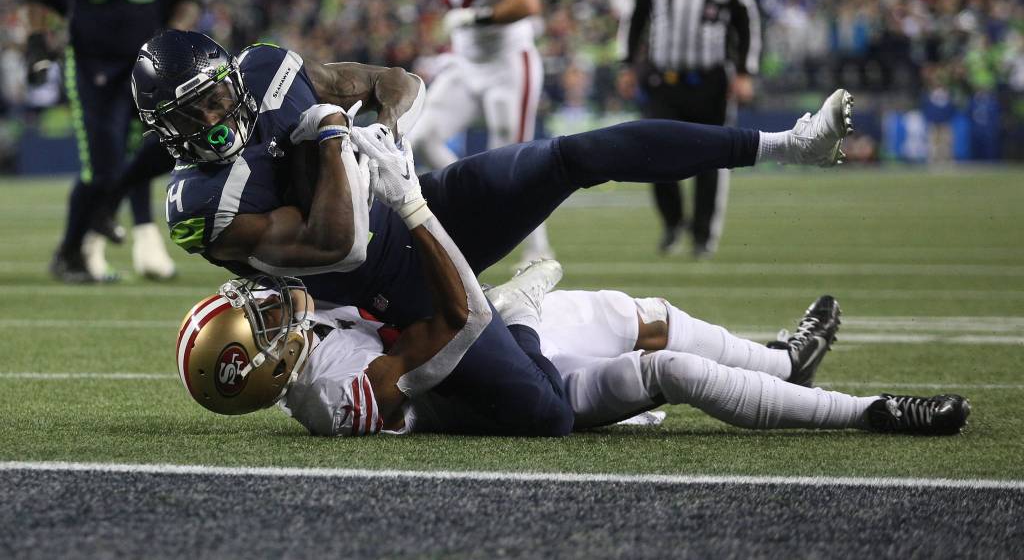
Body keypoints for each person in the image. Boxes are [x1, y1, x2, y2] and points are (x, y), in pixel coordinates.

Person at [134, 30, 852, 436]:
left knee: (572, 156)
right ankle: (528, 321)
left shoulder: (272, 68)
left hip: (420, 206)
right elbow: (338, 243)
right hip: (392, 291)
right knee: (542, 407)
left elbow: (395, 82)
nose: (213, 121)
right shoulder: (202, 203)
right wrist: (329, 135)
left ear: (234, 77)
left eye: (216, 100)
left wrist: (383, 130)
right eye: (190, 117)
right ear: (165, 131)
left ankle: (789, 143)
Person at [175, 260, 970, 437]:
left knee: (638, 313)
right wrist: (505, 308)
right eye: (260, 319)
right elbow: (425, 354)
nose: (272, 305)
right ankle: (870, 413)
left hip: (492, 336)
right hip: (505, 387)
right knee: (673, 371)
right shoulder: (324, 396)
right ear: (258, 368)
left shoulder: (308, 344)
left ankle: (785, 363)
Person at [25, 0, 198, 283]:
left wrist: (175, 36)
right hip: (93, 67)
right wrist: (38, 43)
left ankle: (114, 217)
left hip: (147, 65)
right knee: (102, 168)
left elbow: (187, 0)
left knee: (169, 142)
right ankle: (70, 251)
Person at [407, 0, 553, 264]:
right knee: (423, 138)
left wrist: (477, 17)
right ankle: (468, 204)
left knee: (512, 162)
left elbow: (526, 4)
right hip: (465, 63)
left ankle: (539, 250)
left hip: (508, 63)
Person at [624, 0, 762, 259]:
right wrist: (627, 64)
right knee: (655, 152)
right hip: (664, 80)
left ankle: (703, 235)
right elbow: (635, 18)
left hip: (711, 82)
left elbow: (747, 22)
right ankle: (672, 222)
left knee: (713, 158)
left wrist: (746, 71)